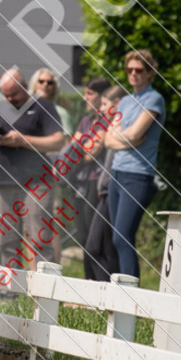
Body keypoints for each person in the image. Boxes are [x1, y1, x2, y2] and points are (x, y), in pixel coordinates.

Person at [0, 69, 67, 266]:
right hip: (4, 183)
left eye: (14, 94)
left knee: (40, 237)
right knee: (6, 240)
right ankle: (12, 291)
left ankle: (45, 293)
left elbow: (58, 141)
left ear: (25, 87)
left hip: (36, 183)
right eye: (6, 95)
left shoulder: (43, 107)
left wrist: (22, 140)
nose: (10, 99)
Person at [104, 50, 166, 281]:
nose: (133, 74)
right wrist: (125, 139)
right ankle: (122, 288)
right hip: (117, 174)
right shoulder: (126, 101)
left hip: (138, 176)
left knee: (122, 236)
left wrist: (122, 136)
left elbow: (135, 133)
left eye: (138, 70)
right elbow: (108, 138)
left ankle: (131, 294)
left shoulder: (154, 99)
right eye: (129, 70)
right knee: (116, 237)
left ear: (150, 73)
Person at [84, 86, 126, 282]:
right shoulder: (112, 125)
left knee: (96, 245)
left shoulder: (121, 124)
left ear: (117, 104)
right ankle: (104, 294)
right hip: (105, 189)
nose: (100, 109)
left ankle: (105, 294)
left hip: (112, 189)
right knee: (104, 246)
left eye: (105, 105)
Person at [69, 77, 112, 248]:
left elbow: (95, 148)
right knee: (83, 235)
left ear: (102, 97)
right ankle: (88, 275)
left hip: (96, 180)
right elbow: (73, 149)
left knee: (95, 237)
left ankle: (100, 274)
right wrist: (80, 151)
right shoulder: (86, 121)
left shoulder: (106, 120)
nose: (85, 98)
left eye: (90, 94)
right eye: (84, 93)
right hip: (79, 180)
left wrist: (79, 152)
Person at [30, 67, 74, 135]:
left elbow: (66, 141)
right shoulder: (26, 110)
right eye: (41, 81)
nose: (45, 85)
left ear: (54, 88)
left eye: (50, 82)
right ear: (34, 85)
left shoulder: (61, 113)